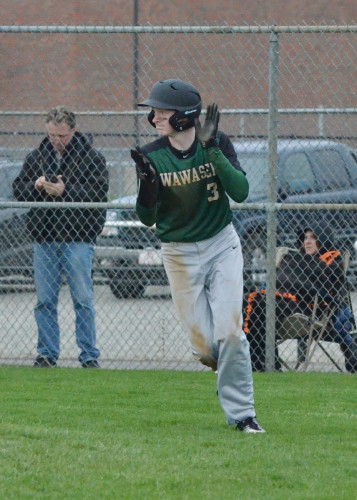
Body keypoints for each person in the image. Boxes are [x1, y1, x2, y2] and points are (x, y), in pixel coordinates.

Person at [130, 78, 265, 433]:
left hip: (222, 245)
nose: (155, 118)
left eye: (162, 112)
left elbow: (242, 192)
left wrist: (214, 152)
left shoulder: (216, 144)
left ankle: (243, 416)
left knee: (232, 334)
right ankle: (229, 369)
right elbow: (147, 219)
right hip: (179, 254)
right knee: (207, 349)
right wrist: (147, 185)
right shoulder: (152, 154)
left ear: (184, 117)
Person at [13, 106, 109, 368]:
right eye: (52, 135)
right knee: (45, 300)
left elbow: (98, 191)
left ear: (73, 130)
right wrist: (36, 186)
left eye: (62, 136)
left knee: (82, 299)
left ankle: (89, 356)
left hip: (78, 238)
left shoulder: (91, 158)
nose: (56, 141)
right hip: (45, 239)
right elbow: (18, 189)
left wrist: (66, 191)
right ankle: (46, 354)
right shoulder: (37, 157)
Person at [244, 223, 357, 373]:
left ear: (324, 240)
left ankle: (265, 363)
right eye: (305, 238)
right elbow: (279, 279)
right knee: (250, 302)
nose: (307, 241)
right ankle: (264, 363)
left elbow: (326, 293)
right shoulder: (294, 259)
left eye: (313, 238)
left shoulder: (332, 263)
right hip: (279, 302)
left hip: (305, 310)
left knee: (257, 303)